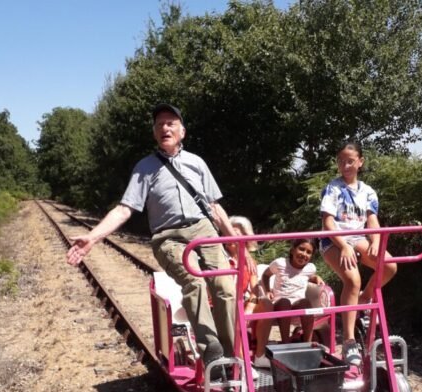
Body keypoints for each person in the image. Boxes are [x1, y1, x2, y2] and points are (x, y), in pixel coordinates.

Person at [66, 103, 237, 373]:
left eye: (170, 123)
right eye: (159, 125)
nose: (165, 128)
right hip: (168, 236)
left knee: (226, 287)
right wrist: (93, 237)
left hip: (204, 230)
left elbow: (215, 208)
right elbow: (125, 209)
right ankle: (212, 353)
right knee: (195, 282)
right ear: (154, 133)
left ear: (183, 131)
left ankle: (230, 356)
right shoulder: (144, 168)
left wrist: (238, 246)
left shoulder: (197, 163)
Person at [319, 140, 397, 366]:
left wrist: (376, 239)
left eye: (350, 161)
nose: (345, 165)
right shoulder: (333, 188)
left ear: (360, 162)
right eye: (341, 161)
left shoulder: (368, 192)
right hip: (334, 240)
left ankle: (364, 299)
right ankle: (349, 341)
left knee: (389, 265)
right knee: (353, 280)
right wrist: (343, 245)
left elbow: (372, 220)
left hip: (358, 237)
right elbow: (328, 222)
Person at [253, 239, 324, 368]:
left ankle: (307, 344)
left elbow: (309, 276)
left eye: (308, 252)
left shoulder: (310, 268)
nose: (304, 254)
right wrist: (268, 290)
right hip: (280, 301)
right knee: (285, 303)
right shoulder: (280, 263)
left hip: (297, 301)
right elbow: (265, 275)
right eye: (301, 249)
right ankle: (286, 343)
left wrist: (316, 278)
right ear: (292, 250)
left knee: (306, 303)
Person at [224, 215, 260, 314]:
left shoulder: (250, 263)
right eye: (228, 234)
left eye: (235, 235)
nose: (230, 238)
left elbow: (255, 292)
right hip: (220, 304)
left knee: (265, 304)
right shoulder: (220, 257)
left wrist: (250, 307)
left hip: (239, 303)